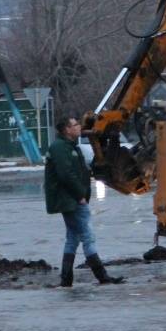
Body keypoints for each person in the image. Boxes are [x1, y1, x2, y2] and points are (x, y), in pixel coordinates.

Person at [44, 115, 123, 286]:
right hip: (72, 200)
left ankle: (66, 280)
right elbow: (66, 174)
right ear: (67, 130)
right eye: (75, 124)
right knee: (88, 237)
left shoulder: (70, 146)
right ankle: (102, 277)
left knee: (72, 238)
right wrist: (80, 195)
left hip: (73, 199)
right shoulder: (60, 148)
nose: (79, 127)